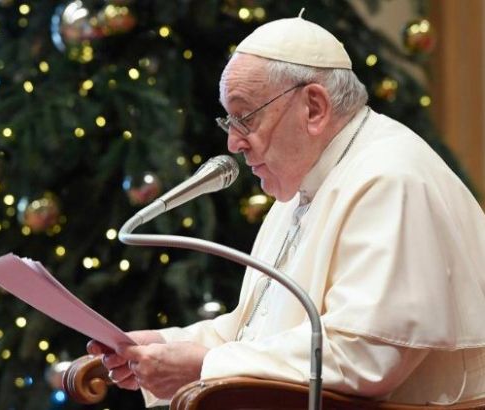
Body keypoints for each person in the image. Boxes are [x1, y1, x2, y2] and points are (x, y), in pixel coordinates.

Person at [88, 14, 485, 407]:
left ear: (314, 107)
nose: (233, 143)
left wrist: (206, 365)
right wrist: (165, 345)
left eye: (244, 117)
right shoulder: (305, 184)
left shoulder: (391, 178)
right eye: (229, 120)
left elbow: (364, 356)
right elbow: (256, 331)